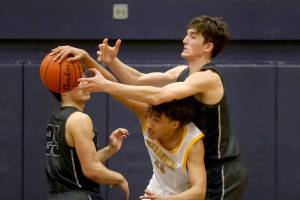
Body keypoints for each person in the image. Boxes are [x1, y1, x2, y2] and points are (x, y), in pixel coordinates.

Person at [79, 15, 246, 200]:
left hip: (220, 169)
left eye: (192, 36)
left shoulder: (208, 78)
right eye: (186, 35)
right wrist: (112, 61)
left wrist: (107, 86)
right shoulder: (181, 72)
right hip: (197, 166)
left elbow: (158, 96)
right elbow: (137, 79)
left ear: (208, 46)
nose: (185, 40)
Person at [51, 46, 207, 200]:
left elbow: (199, 192)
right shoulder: (147, 114)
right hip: (154, 192)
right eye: (150, 116)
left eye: (157, 120)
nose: (149, 124)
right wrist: (86, 57)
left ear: (175, 124)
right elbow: (111, 85)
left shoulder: (192, 142)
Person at [45, 78, 129, 200]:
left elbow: (80, 164)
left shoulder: (56, 117)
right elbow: (91, 170)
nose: (85, 82)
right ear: (64, 90)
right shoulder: (79, 119)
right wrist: (119, 178)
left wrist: (110, 149)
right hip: (79, 195)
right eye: (78, 81)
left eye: (84, 78)